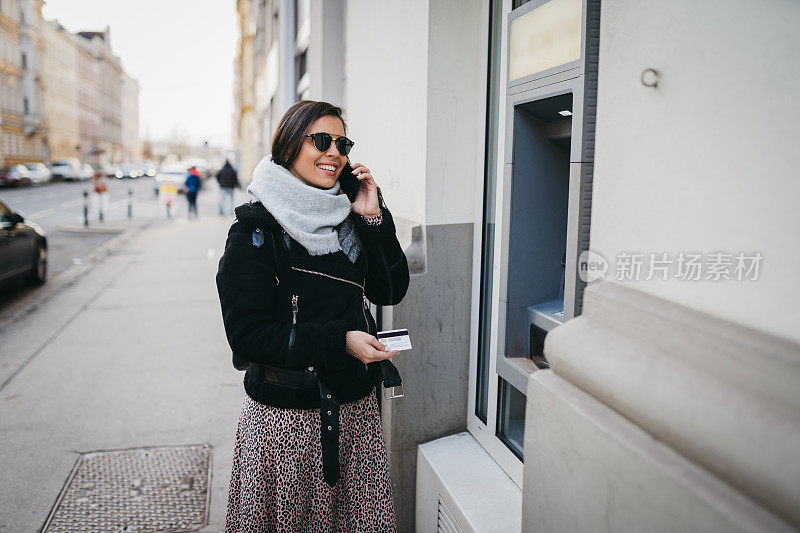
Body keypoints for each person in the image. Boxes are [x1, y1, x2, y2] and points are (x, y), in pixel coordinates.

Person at [216, 100, 409, 532]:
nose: (334, 152)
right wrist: (340, 340)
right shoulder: (255, 231)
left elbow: (390, 290)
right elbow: (248, 337)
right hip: (287, 426)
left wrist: (374, 218)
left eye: (342, 143)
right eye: (321, 140)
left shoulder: (348, 218)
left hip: (356, 414)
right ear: (289, 147)